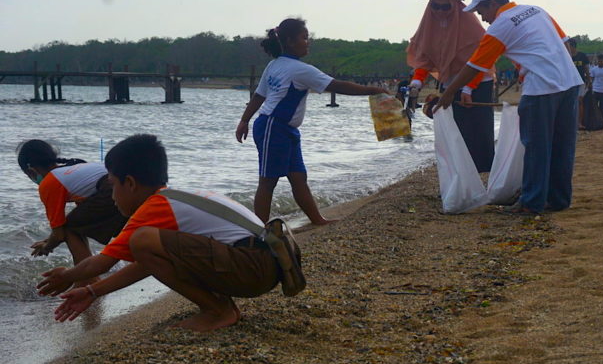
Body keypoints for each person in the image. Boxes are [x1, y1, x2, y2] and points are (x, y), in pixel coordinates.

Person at [36, 134, 284, 332]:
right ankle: (220, 308)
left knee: (141, 240)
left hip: (254, 267)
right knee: (144, 245)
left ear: (130, 184)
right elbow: (148, 264)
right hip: (267, 265)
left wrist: (67, 275)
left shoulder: (155, 207)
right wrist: (92, 292)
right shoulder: (175, 199)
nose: (112, 197)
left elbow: (100, 265)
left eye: (113, 186)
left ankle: (218, 311)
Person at [434, 0, 583, 215]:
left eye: (482, 11)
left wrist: (448, 93)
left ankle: (531, 203)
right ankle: (559, 199)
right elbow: (566, 45)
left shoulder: (500, 26)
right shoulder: (537, 10)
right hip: (570, 83)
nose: (483, 19)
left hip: (541, 89)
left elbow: (475, 65)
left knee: (536, 148)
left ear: (493, 4)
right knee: (562, 147)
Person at [235, 18, 388, 224]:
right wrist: (372, 90)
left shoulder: (280, 65)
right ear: (289, 41)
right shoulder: (296, 69)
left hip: (286, 130)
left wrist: (245, 121)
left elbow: (259, 96)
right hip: (272, 126)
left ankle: (317, 219)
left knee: (298, 178)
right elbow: (337, 86)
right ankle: (258, 229)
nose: (308, 42)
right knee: (268, 181)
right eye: (304, 38)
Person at [407, 0, 494, 172]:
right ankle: (459, 174)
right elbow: (424, 56)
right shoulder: (429, 24)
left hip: (477, 84)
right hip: (449, 85)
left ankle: (484, 173)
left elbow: (483, 59)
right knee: (454, 131)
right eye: (434, 6)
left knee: (478, 131)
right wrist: (417, 81)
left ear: (454, 4)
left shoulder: (469, 23)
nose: (439, 11)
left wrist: (469, 88)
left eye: (444, 6)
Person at [16, 139, 127, 270]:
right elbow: (82, 219)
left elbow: (60, 233)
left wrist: (47, 247)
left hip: (110, 190)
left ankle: (86, 277)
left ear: (31, 171)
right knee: (126, 230)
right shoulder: (72, 170)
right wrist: (48, 240)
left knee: (70, 227)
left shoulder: (50, 183)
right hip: (128, 186)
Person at [566, 38, 590, 130]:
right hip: (569, 82)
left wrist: (589, 81)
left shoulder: (582, 56)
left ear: (572, 46)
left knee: (580, 102)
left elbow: (586, 69)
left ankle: (579, 123)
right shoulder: (566, 57)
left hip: (580, 82)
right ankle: (571, 123)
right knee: (569, 103)